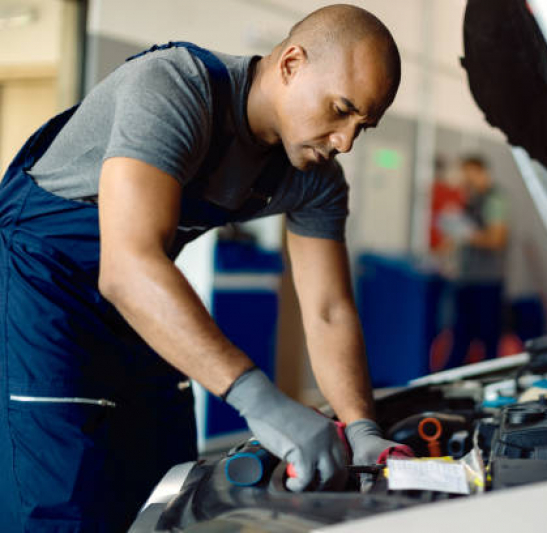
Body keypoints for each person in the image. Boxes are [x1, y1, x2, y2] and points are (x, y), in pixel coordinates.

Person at [0, 4, 405, 531]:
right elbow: (126, 267)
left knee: (165, 486)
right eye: (340, 109)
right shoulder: (174, 89)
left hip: (140, 302)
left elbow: (328, 310)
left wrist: (361, 426)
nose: (345, 141)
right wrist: (262, 401)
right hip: (42, 290)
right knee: (61, 501)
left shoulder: (315, 178)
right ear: (291, 64)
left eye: (362, 126)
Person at [449, 155, 509, 366]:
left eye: (469, 175)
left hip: (486, 282)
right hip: (467, 280)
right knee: (461, 338)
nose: (465, 179)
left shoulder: (494, 200)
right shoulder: (471, 201)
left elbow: (497, 239)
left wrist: (469, 235)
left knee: (488, 340)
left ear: (481, 172)